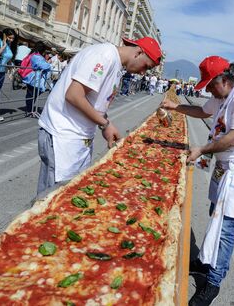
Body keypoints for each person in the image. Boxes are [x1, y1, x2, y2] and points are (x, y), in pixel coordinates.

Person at [160, 56, 234, 306]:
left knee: (227, 224)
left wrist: (202, 149)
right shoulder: (222, 96)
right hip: (224, 165)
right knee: (214, 213)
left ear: (225, 80)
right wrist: (175, 107)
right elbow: (201, 111)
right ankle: (204, 261)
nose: (207, 89)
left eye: (210, 84)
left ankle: (214, 282)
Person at [35, 36, 162, 198]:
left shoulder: (116, 63)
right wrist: (105, 124)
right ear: (138, 53)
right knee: (53, 198)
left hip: (78, 136)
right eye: (146, 66)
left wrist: (104, 124)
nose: (143, 72)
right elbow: (74, 95)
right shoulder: (105, 55)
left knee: (71, 194)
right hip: (63, 135)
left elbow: (95, 102)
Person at [21, 41, 51, 118]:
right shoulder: (36, 56)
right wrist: (49, 63)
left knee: (32, 94)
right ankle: (29, 110)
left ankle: (30, 110)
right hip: (33, 78)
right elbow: (45, 66)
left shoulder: (32, 55)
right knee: (32, 94)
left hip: (32, 78)